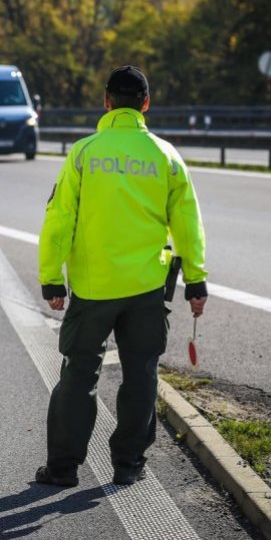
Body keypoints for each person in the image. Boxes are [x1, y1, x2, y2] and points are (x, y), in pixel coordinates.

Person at [36, 65, 208, 487]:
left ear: (106, 102)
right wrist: (197, 282)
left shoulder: (84, 152)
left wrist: (51, 279)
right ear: (146, 104)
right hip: (148, 288)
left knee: (78, 374)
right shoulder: (166, 156)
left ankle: (63, 468)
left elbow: (59, 220)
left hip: (94, 290)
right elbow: (188, 224)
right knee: (142, 374)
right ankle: (129, 465)